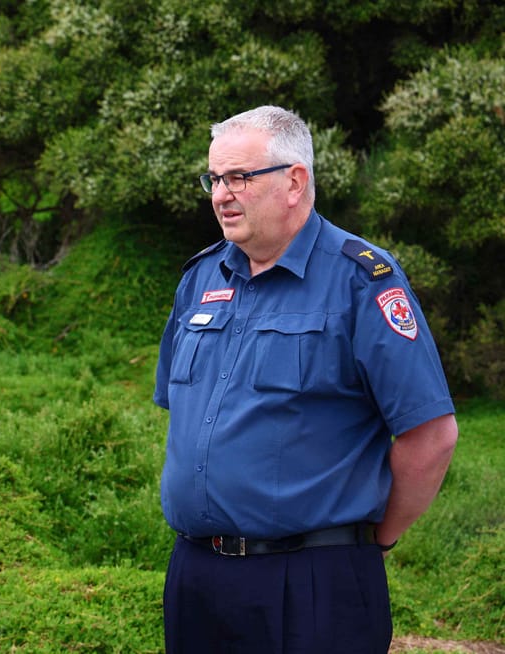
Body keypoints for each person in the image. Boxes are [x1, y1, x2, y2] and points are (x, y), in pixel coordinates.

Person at [153, 105, 458, 653]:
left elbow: (430, 435)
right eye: (214, 179)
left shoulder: (360, 280)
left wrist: (374, 541)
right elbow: (187, 417)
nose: (221, 194)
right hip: (197, 575)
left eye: (240, 177)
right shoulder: (200, 278)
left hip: (315, 581)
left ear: (295, 182)